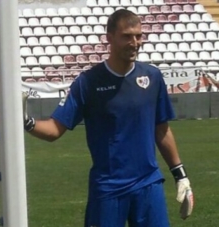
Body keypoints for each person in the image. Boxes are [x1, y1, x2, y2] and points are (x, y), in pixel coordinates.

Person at [23, 9, 194, 227]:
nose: (134, 43)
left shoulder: (152, 77)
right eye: (127, 36)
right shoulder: (88, 82)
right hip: (108, 189)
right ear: (109, 37)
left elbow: (161, 129)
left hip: (148, 183)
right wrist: (24, 121)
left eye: (138, 36)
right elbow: (55, 130)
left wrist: (181, 176)